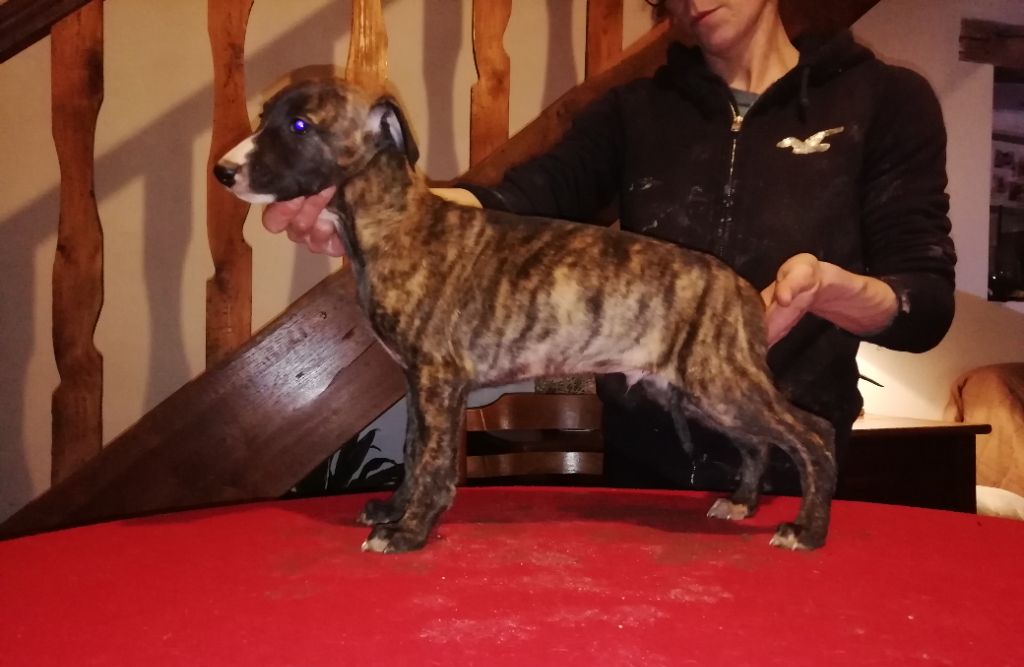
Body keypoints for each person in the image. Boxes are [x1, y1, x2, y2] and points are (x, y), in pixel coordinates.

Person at [263, 0, 956, 493]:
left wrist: (831, 290)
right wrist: (385, 217)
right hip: (640, 480)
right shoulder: (635, 111)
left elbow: (923, 306)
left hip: (785, 477)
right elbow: (516, 200)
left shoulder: (884, 101)